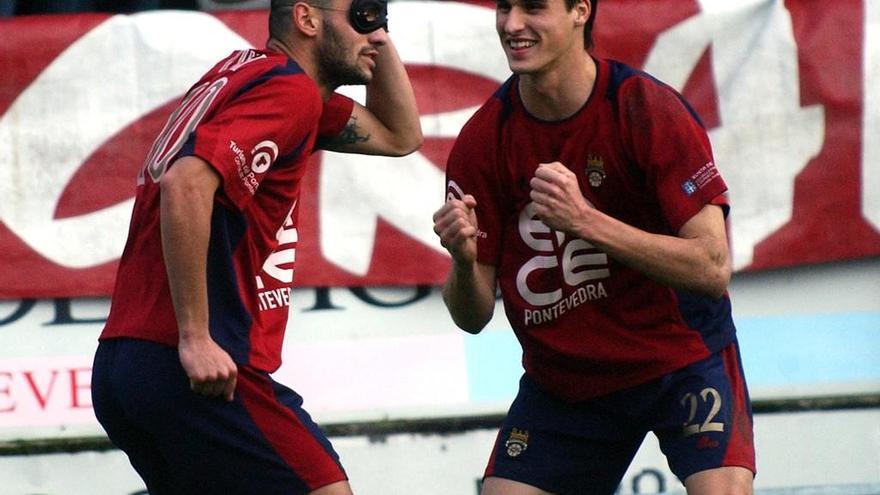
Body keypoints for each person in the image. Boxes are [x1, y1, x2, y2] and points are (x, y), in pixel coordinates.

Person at [91, 0, 421, 494]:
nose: (375, 33)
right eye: (362, 16)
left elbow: (400, 135)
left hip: (126, 365)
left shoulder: (250, 76)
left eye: (379, 17)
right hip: (196, 366)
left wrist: (374, 29)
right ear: (307, 20)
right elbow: (185, 184)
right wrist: (196, 337)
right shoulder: (290, 94)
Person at [432, 0, 755, 494]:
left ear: (581, 10)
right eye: (504, 7)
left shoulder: (645, 106)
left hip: (680, 360)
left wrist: (586, 221)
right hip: (566, 383)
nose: (512, 24)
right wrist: (462, 259)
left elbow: (711, 269)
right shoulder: (483, 139)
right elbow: (471, 316)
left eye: (534, 8)